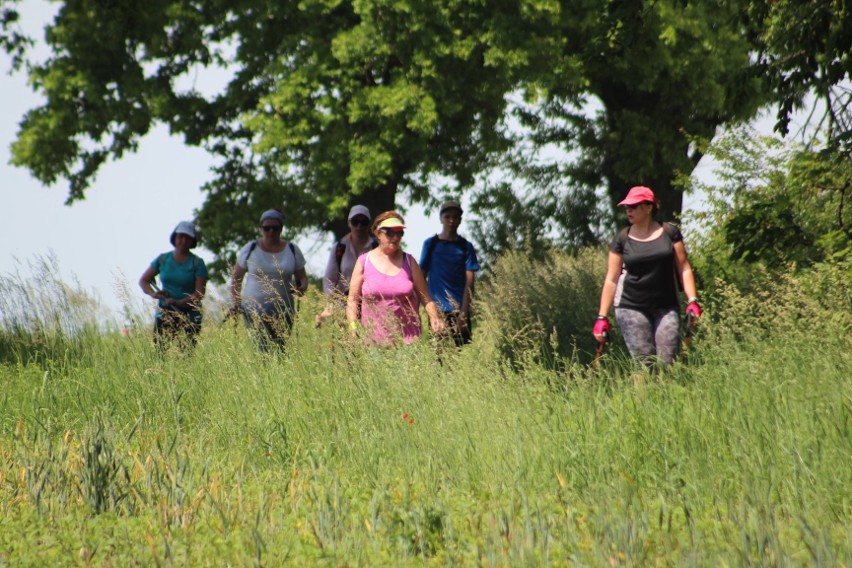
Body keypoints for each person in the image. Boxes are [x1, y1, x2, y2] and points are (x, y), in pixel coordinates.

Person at [593, 186, 702, 369]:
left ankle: (665, 397)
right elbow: (611, 279)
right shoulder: (622, 239)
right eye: (627, 206)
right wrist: (601, 317)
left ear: (649, 207)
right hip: (631, 306)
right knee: (645, 364)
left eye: (634, 206)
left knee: (668, 362)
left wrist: (692, 300)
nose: (629, 210)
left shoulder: (670, 233)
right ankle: (643, 398)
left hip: (666, 306)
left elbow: (684, 268)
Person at [346, 211, 445, 346]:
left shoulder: (409, 262)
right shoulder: (364, 261)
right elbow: (352, 299)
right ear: (377, 233)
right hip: (372, 343)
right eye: (390, 232)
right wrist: (353, 328)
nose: (395, 237)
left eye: (399, 233)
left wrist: (434, 317)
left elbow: (425, 296)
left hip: (408, 343)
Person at [230, 208, 308, 351]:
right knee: (262, 348)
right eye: (267, 228)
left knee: (280, 350)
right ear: (261, 229)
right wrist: (235, 301)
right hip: (253, 309)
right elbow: (236, 278)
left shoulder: (292, 249)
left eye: (275, 228)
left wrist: (302, 287)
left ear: (281, 229)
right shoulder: (250, 249)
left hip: (284, 310)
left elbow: (302, 277)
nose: (271, 232)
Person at [419, 200, 480, 345]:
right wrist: (430, 311)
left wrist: (464, 313)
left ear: (460, 220)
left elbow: (469, 282)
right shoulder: (431, 244)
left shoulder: (466, 247)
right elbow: (421, 277)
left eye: (455, 217)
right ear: (441, 219)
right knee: (439, 355)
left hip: (460, 309)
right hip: (437, 310)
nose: (451, 220)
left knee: (460, 355)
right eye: (447, 216)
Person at [139, 221, 208, 347]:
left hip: (190, 314)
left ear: (192, 241)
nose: (183, 240)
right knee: (160, 351)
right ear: (174, 238)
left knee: (186, 353)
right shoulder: (162, 259)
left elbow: (199, 293)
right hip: (165, 312)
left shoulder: (198, 263)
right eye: (180, 236)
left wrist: (179, 303)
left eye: (187, 238)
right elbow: (144, 280)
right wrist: (153, 294)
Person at [315, 205, 377, 326]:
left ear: (368, 224)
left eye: (363, 222)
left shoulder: (376, 247)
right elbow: (329, 279)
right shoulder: (339, 248)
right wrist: (332, 301)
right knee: (345, 340)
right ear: (349, 223)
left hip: (371, 306)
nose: (359, 226)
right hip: (343, 304)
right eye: (355, 222)